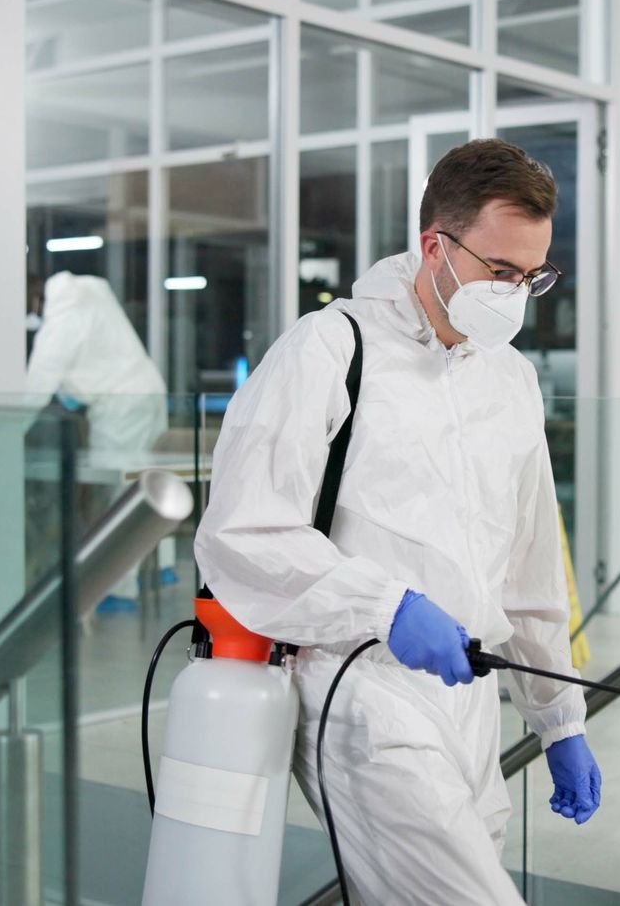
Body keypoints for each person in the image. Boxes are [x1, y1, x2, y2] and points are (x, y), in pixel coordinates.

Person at [195, 139, 599, 904]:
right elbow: (241, 535)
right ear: (434, 245)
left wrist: (559, 718)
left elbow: (531, 566)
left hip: (470, 699)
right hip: (358, 688)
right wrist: (386, 606)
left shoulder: (510, 379)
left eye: (532, 275)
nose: (515, 293)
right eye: (500, 271)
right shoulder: (329, 348)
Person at [25, 271, 169, 465]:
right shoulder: (86, 290)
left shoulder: (62, 322)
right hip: (149, 388)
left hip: (120, 405)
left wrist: (1, 435)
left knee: (116, 483)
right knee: (149, 480)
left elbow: (35, 390)